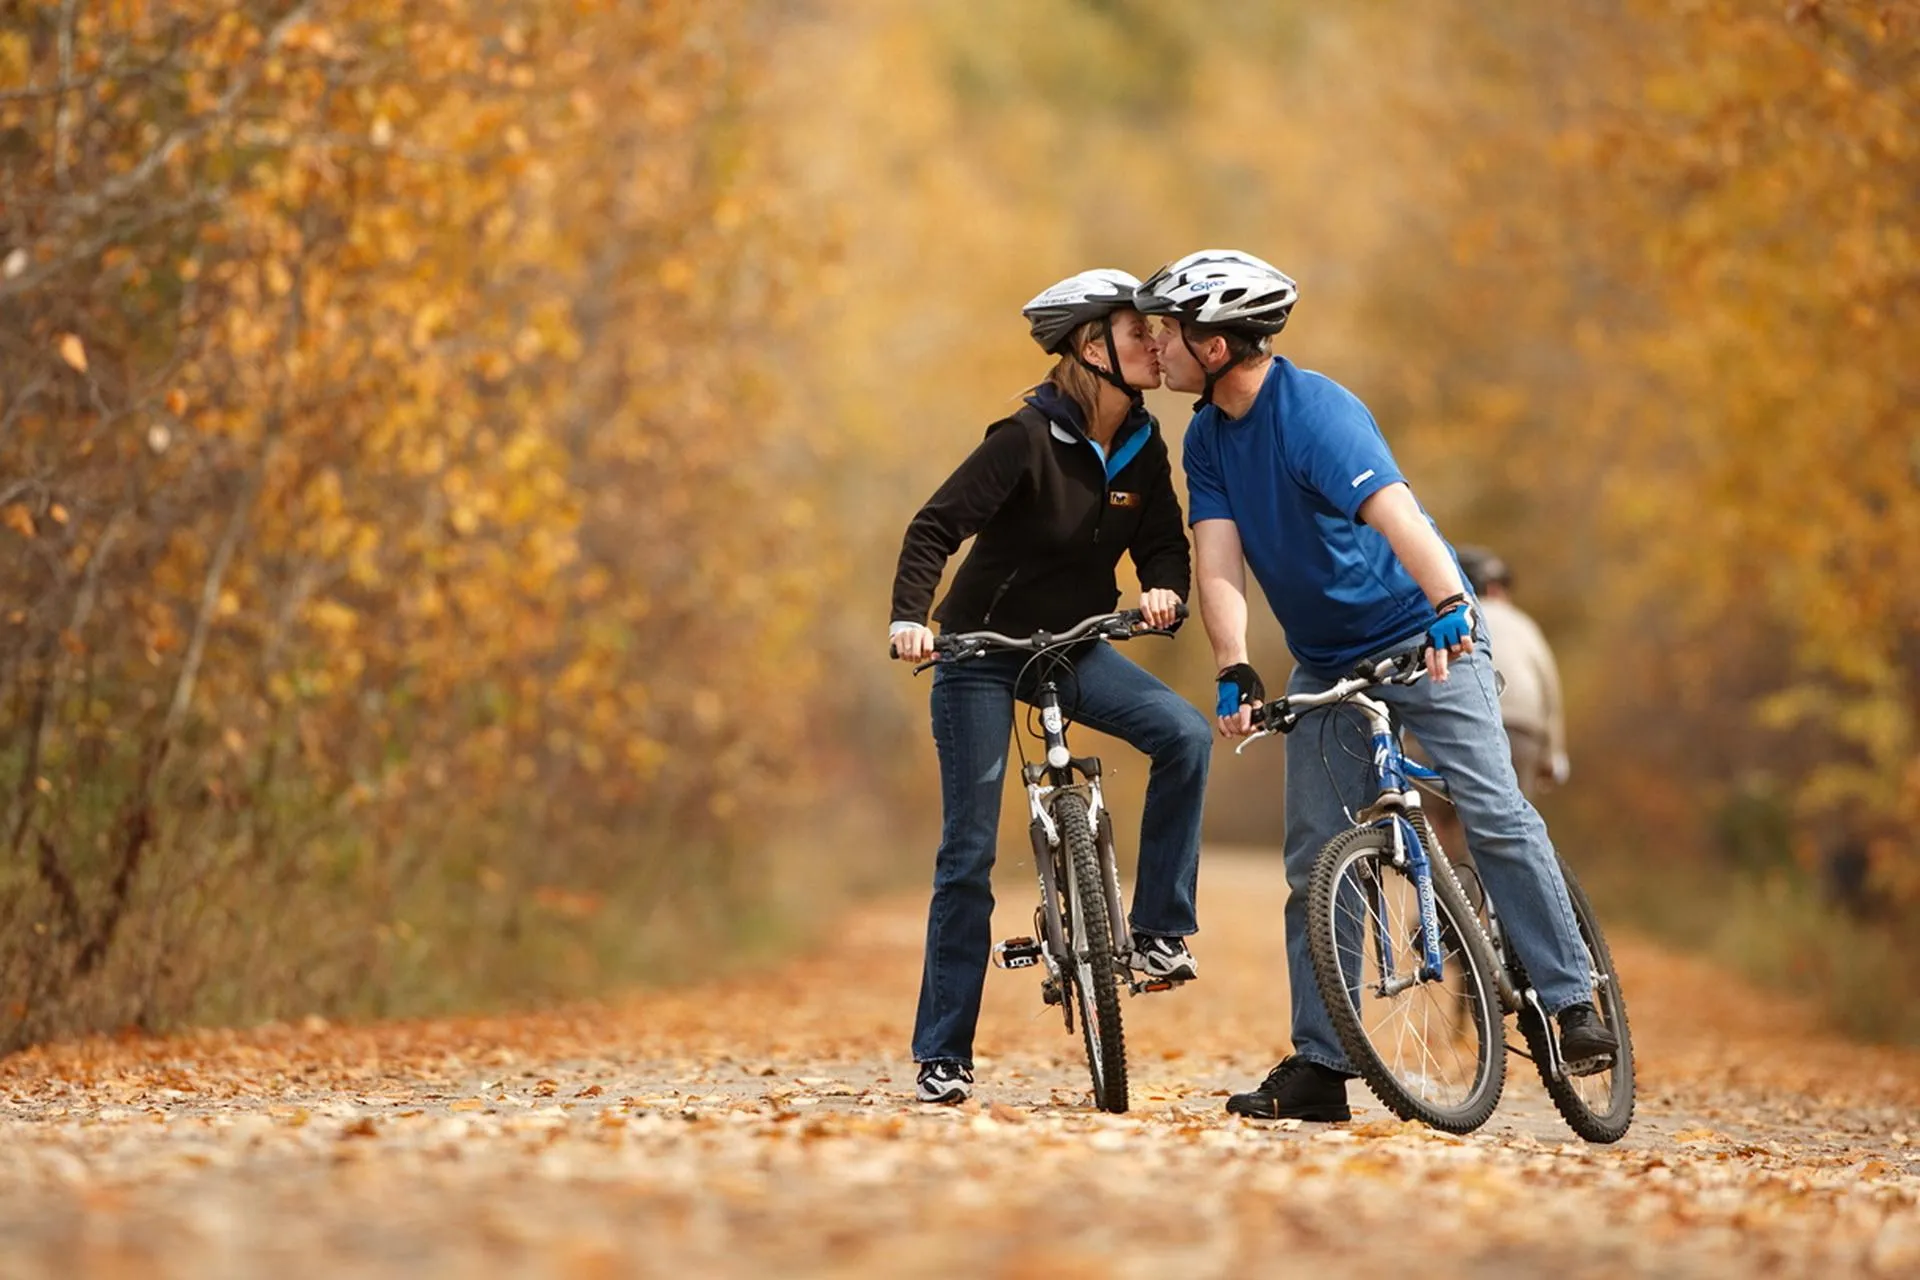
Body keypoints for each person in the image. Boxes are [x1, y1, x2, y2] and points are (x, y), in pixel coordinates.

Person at [1136, 249, 1616, 1122]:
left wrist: (1447, 605)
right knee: (1316, 860)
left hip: (1426, 636)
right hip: (1328, 662)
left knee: (1494, 806)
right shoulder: (1204, 435)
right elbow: (1217, 565)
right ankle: (1322, 1065)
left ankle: (1568, 998)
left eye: (1170, 332)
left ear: (1215, 345)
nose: (1156, 347)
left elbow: (1397, 514)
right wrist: (1235, 664)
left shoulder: (1315, 411)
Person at [888, 269, 1213, 1106]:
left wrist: (1163, 591)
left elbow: (1166, 546)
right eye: (1133, 331)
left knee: (1183, 735)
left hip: (1071, 646)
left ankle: (1159, 934)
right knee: (968, 854)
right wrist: (910, 618)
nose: (1153, 343)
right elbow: (935, 526)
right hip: (979, 654)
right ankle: (944, 1054)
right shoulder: (1024, 438)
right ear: (1087, 346)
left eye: (1152, 332)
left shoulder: (1145, 444)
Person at [1454, 545, 1568, 797]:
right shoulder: (1523, 624)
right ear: (1494, 588)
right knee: (1513, 813)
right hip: (1522, 729)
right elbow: (1549, 688)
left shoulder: (1446, 620)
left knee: (1437, 816)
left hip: (1458, 723)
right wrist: (1552, 754)